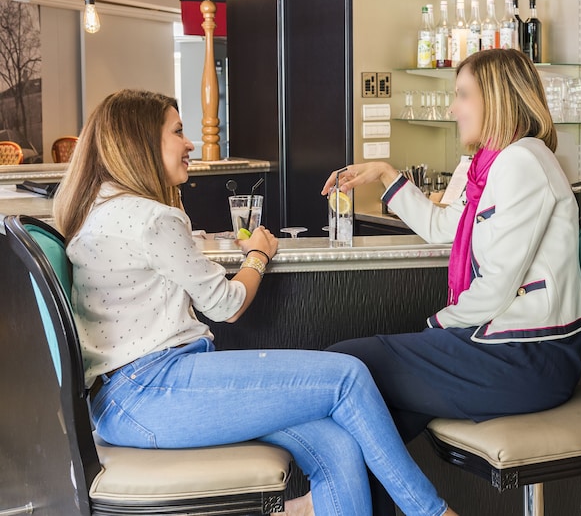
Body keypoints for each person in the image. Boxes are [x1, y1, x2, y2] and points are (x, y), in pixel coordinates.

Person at [53, 89, 457, 516]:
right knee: (348, 376)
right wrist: (259, 254)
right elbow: (226, 305)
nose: (189, 144)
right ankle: (431, 512)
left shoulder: (102, 207)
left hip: (127, 399)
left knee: (337, 446)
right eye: (178, 131)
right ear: (142, 143)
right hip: (152, 392)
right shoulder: (153, 218)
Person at [323, 48, 581, 515]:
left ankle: (360, 506)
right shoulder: (487, 165)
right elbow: (442, 226)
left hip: (529, 358)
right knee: (375, 414)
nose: (453, 109)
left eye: (462, 95)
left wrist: (436, 327)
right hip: (506, 348)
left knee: (344, 365)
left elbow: (497, 285)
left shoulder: (522, 162)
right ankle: (336, 504)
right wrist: (386, 175)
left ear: (496, 98)